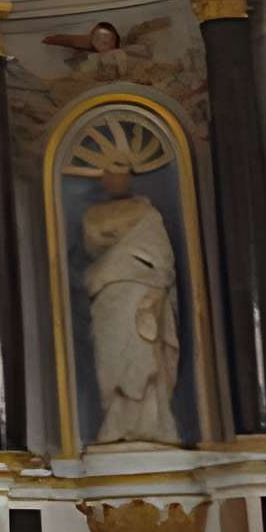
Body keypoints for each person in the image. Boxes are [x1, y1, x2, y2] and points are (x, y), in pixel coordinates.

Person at [81, 163, 181, 444]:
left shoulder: (148, 213)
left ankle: (152, 425)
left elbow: (161, 258)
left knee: (145, 357)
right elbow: (92, 241)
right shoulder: (94, 213)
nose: (114, 178)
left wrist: (155, 295)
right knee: (111, 360)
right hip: (108, 296)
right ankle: (115, 423)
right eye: (108, 172)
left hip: (142, 293)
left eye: (119, 170)